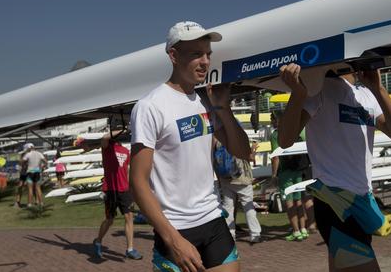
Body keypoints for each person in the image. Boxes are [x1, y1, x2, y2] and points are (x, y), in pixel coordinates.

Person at [130, 21, 251, 272]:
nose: (205, 61)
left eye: (208, 54)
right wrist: (173, 241)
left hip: (213, 222)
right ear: (173, 56)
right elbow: (138, 182)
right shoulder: (150, 106)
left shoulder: (206, 102)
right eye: (196, 54)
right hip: (175, 228)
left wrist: (223, 108)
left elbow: (242, 152)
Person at [277, 64, 391, 272]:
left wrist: (379, 89)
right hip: (333, 202)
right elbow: (285, 140)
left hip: (362, 201)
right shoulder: (318, 90)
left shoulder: (367, 95)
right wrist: (297, 93)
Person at [90, 129, 142, 260]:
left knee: (129, 216)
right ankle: (98, 241)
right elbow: (104, 137)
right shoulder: (107, 147)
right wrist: (124, 128)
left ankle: (130, 249)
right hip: (110, 189)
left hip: (124, 189)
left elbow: (126, 170)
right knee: (109, 219)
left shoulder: (125, 151)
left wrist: (131, 187)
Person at [270, 111, 310, 241]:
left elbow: (276, 157)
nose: (271, 121)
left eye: (272, 118)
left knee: (289, 201)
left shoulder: (276, 135)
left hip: (285, 171)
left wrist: (274, 174)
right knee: (298, 200)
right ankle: (303, 228)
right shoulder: (295, 131)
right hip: (298, 169)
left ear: (277, 121)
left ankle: (296, 231)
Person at [213, 137, 262, 244]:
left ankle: (230, 235)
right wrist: (253, 149)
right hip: (242, 178)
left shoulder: (216, 139)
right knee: (248, 207)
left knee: (228, 208)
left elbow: (214, 161)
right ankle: (255, 234)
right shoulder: (238, 138)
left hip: (225, 179)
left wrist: (220, 179)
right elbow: (250, 158)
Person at [21, 143, 47, 208]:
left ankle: (29, 204)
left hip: (30, 172)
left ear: (29, 148)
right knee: (38, 188)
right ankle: (41, 203)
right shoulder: (39, 153)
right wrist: (42, 167)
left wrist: (24, 165)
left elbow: (22, 162)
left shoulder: (28, 154)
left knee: (30, 189)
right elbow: (46, 162)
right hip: (37, 172)